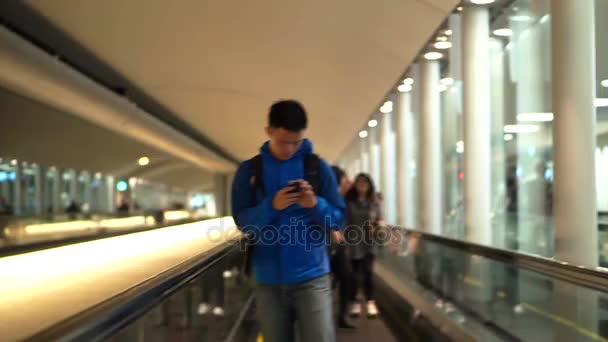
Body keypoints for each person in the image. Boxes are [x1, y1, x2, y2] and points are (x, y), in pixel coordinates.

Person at [231, 99, 345, 342]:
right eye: (284, 142)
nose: (290, 149)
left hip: (312, 276)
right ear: (269, 131)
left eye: (297, 142)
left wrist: (315, 204)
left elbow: (337, 219)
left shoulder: (317, 167)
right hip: (267, 280)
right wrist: (271, 206)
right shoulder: (250, 171)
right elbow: (242, 221)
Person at [344, 173, 383, 318]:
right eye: (359, 183)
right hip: (353, 243)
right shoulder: (349, 202)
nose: (362, 186)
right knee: (354, 275)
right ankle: (355, 302)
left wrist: (378, 226)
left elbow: (379, 220)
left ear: (369, 185)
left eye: (365, 183)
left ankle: (370, 301)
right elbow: (345, 222)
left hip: (369, 242)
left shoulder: (374, 203)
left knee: (368, 273)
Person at [329, 166, 356, 329]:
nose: (349, 183)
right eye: (345, 180)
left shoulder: (343, 199)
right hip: (325, 246)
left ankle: (342, 315)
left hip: (338, 247)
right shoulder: (329, 198)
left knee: (347, 278)